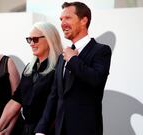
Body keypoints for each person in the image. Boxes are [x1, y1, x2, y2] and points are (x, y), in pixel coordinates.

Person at [35, 2, 112, 135]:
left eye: (68, 18)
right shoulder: (62, 56)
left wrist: (72, 59)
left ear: (84, 20)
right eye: (61, 19)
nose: (63, 23)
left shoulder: (101, 50)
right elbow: (54, 96)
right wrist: (41, 129)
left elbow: (96, 79)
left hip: (86, 130)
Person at [0, 22, 63, 135]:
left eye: (35, 39)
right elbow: (16, 100)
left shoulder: (59, 67)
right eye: (29, 39)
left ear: (50, 39)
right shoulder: (29, 69)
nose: (31, 43)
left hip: (49, 130)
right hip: (27, 130)